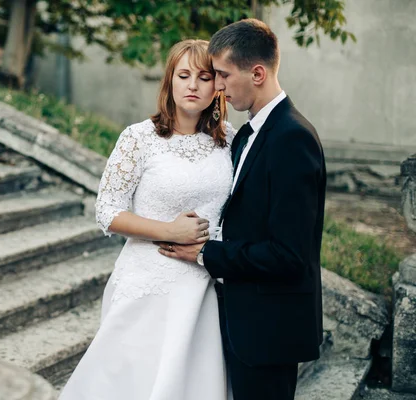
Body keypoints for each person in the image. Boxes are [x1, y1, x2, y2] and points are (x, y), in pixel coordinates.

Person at [158, 19, 326, 400]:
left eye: (222, 75)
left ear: (258, 73)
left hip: (269, 330)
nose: (216, 86)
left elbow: (289, 254)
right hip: (240, 320)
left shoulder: (292, 139)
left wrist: (205, 253)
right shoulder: (248, 134)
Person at [59, 39, 235, 400]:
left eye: (204, 77)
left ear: (217, 86)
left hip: (206, 285)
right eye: (183, 75)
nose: (192, 85)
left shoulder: (232, 141)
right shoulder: (139, 138)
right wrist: (169, 231)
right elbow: (107, 211)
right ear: (169, 81)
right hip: (147, 283)